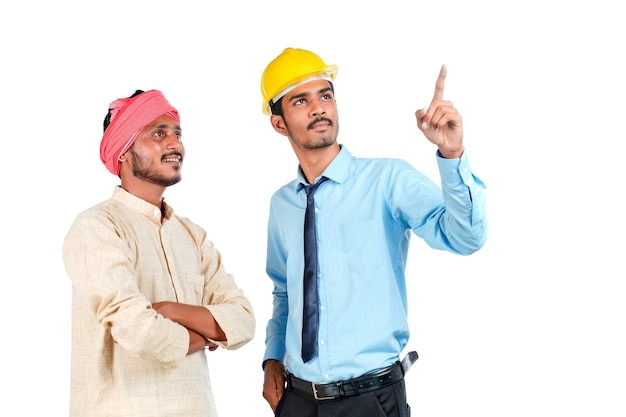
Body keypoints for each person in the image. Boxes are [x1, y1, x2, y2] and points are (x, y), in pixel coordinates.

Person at [260, 48, 487, 417]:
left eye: (326, 95)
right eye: (301, 100)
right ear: (279, 123)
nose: (319, 108)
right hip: (297, 401)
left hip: (370, 400)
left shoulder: (387, 180)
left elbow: (465, 237)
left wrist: (453, 153)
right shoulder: (281, 204)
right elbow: (284, 292)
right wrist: (272, 358)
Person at [62, 89, 255, 417]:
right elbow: (141, 332)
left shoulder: (192, 235)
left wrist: (171, 310)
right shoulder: (97, 227)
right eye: (158, 134)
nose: (174, 143)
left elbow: (244, 320)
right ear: (123, 151)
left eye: (177, 134)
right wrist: (209, 332)